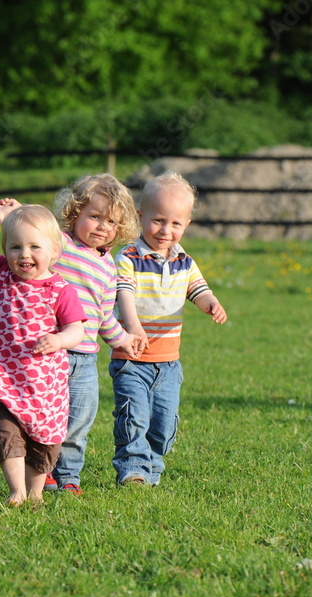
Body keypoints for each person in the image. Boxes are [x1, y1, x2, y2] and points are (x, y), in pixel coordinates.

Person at [0, 199, 86, 505]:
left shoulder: (61, 290)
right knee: (6, 432)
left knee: (44, 441)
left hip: (44, 387)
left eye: (34, 247)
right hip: (3, 379)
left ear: (54, 251)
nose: (24, 254)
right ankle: (16, 490)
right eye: (15, 247)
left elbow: (76, 330)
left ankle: (36, 493)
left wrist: (59, 340)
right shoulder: (2, 272)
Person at [110, 172, 228, 486]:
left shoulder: (184, 261)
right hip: (131, 358)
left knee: (163, 423)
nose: (166, 230)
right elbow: (124, 293)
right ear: (140, 217)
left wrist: (211, 303)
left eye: (176, 223)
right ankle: (133, 468)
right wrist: (133, 326)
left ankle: (152, 466)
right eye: (158, 220)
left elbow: (198, 289)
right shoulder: (128, 257)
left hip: (169, 363)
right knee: (133, 415)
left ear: (186, 225)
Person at [43, 173, 143, 495]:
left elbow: (103, 315)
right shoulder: (59, 244)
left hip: (85, 359)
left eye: (111, 221)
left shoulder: (108, 266)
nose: (102, 226)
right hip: (51, 350)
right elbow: (31, 236)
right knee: (45, 415)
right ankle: (42, 470)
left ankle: (68, 477)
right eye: (95, 216)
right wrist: (17, 213)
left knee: (79, 422)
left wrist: (123, 339)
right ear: (74, 213)